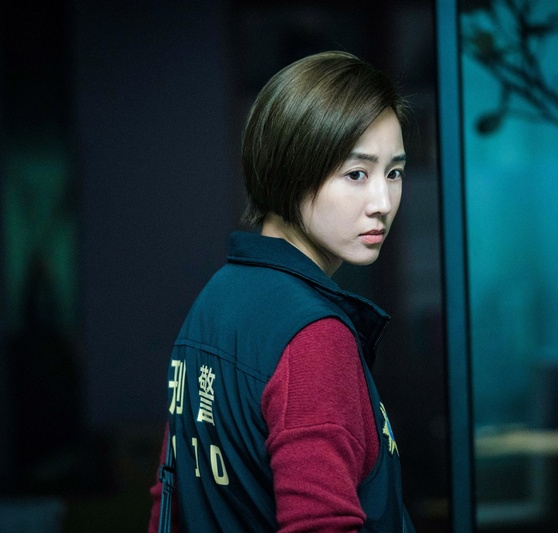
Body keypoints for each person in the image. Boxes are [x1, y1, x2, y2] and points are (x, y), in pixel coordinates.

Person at [148, 50, 416, 532]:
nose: (382, 202)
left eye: (393, 172)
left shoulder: (214, 298)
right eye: (356, 174)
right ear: (290, 169)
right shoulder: (314, 337)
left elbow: (167, 503)